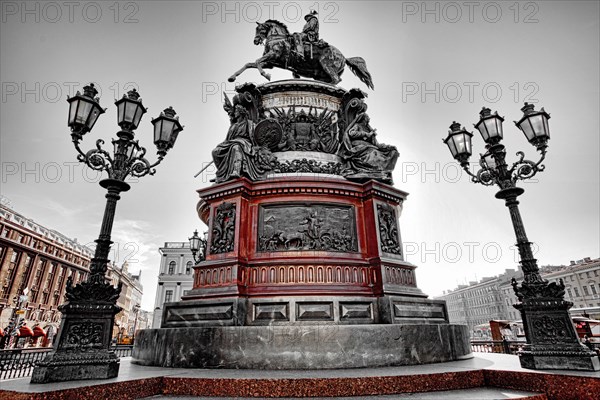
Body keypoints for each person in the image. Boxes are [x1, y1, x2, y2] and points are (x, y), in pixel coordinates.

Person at [212, 104, 274, 183]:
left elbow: (256, 137)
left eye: (237, 111)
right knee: (215, 151)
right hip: (232, 142)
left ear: (241, 113)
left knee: (236, 148)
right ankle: (221, 175)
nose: (235, 113)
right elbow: (227, 140)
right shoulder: (233, 127)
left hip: (245, 143)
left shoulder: (250, 124)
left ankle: (236, 171)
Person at [338, 112, 399, 183]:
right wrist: (366, 134)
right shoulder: (357, 125)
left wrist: (388, 147)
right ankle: (373, 170)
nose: (369, 119)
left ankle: (378, 171)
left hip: (368, 147)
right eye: (367, 118)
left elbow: (377, 145)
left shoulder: (369, 129)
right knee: (373, 152)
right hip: (358, 145)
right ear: (363, 119)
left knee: (380, 153)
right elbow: (351, 133)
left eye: (368, 118)